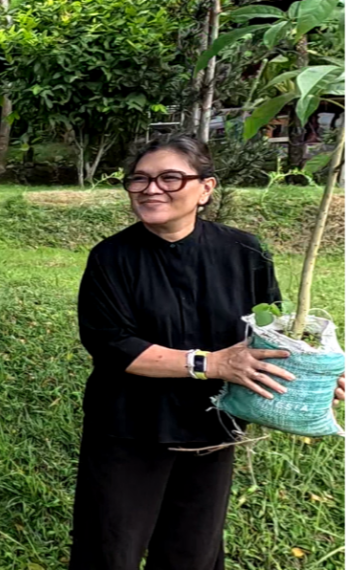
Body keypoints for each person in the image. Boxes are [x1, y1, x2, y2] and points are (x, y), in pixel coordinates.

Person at [69, 134, 348, 570]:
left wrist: (313, 375)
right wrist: (211, 363)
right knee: (110, 548)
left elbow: (269, 332)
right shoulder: (111, 258)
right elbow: (111, 344)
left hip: (213, 425)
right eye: (138, 179)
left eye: (170, 178)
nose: (150, 188)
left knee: (193, 551)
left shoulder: (245, 251)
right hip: (129, 426)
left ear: (206, 188)